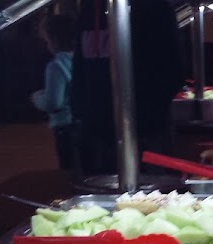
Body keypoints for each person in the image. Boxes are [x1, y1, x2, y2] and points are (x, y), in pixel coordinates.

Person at [72, 0, 184, 175]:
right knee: (96, 181)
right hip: (96, 129)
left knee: (152, 182)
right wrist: (81, 112)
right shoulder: (90, 9)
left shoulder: (155, 8)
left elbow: (173, 69)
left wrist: (151, 113)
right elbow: (80, 66)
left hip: (147, 128)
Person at [31, 12, 78, 173]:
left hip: (64, 126)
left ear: (53, 40)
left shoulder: (56, 66)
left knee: (67, 169)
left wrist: (37, 98)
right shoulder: (81, 59)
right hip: (82, 123)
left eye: (46, 41)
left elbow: (53, 102)